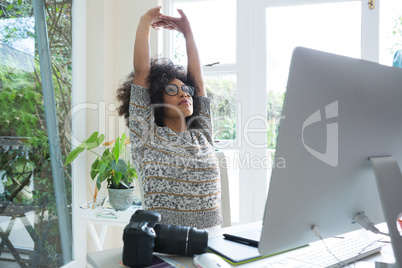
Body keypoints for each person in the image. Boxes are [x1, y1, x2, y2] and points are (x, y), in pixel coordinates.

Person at [116, 7, 222, 229]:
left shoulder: (202, 134)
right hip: (166, 250)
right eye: (173, 91)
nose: (185, 93)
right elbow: (142, 74)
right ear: (156, 101)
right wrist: (145, 21)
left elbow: (199, 84)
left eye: (186, 90)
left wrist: (188, 32)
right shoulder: (147, 137)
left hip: (212, 245)